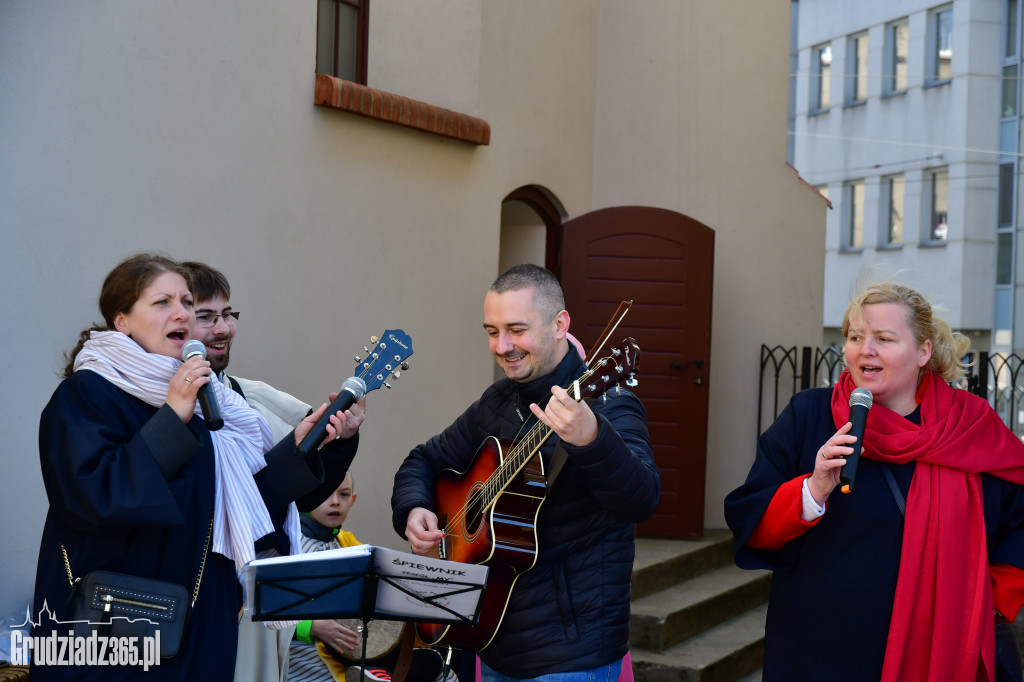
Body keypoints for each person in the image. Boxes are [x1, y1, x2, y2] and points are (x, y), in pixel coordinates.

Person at [31, 253, 352, 681]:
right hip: (116, 635)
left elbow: (243, 501)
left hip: (202, 626)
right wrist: (172, 415)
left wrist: (303, 448)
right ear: (122, 320)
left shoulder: (208, 401)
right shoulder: (87, 394)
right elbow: (96, 497)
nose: (180, 312)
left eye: (185, 301)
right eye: (162, 302)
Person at [724, 281, 1024, 681]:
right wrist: (813, 490)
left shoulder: (970, 426)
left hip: (939, 647)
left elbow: (1018, 518)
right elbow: (750, 520)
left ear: (923, 351)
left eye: (883, 338)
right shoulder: (809, 415)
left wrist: (992, 603)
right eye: (855, 337)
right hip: (822, 649)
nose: (865, 350)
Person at [391, 264, 660, 680]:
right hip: (490, 638)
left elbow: (640, 499)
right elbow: (423, 460)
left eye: (516, 329)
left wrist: (592, 439)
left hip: (572, 656)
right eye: (491, 331)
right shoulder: (498, 401)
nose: (502, 346)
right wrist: (415, 509)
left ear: (559, 324)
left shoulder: (609, 403)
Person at [181, 260, 365, 682]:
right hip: (200, 598)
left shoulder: (250, 398)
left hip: (262, 600)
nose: (224, 328)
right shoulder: (164, 401)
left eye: (228, 314)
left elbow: (301, 495)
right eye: (207, 317)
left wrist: (343, 440)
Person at [288, 472, 367, 682]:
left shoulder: (351, 545)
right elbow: (255, 611)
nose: (334, 502)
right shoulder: (286, 545)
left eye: (344, 494)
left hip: (349, 657)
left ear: (353, 500)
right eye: (325, 493)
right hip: (300, 661)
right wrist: (311, 626)